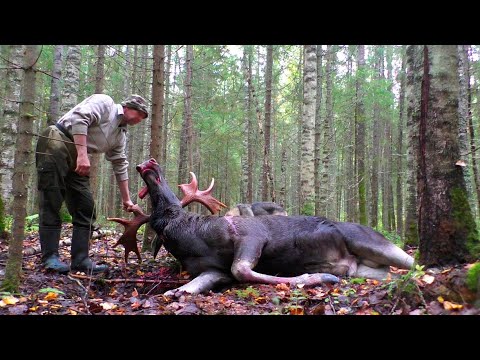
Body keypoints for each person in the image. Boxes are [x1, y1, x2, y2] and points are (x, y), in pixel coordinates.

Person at [35, 94, 148, 274]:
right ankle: (50, 258)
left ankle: (80, 260)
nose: (140, 119)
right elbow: (79, 118)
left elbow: (120, 163)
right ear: (129, 107)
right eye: (140, 114)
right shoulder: (106, 103)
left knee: (86, 206)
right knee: (52, 199)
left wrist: (127, 200)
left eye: (143, 118)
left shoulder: (120, 135)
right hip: (57, 141)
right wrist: (82, 154)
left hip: (79, 157)